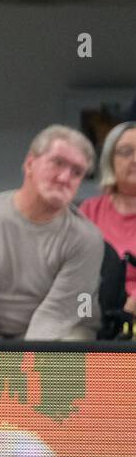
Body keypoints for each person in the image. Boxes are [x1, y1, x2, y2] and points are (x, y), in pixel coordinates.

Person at [0, 125, 105, 340]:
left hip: (63, 331)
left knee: (71, 345)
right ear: (30, 163)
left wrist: (20, 369)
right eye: (58, 163)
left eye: (76, 172)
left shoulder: (87, 239)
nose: (64, 177)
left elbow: (57, 315)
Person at [79, 121, 136, 316]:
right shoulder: (90, 210)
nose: (135, 159)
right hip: (96, 311)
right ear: (110, 160)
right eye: (126, 152)